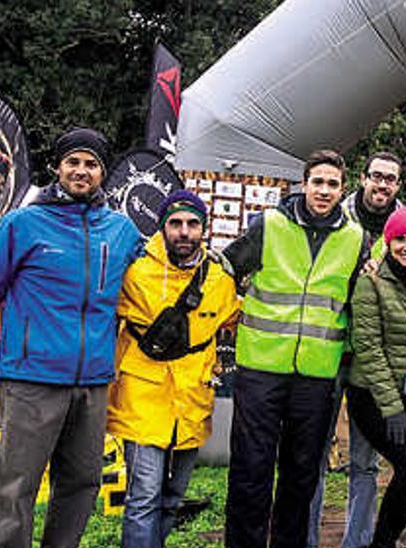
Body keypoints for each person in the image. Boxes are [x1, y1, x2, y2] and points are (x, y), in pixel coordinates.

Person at [0, 128, 142, 547]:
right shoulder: (22, 224)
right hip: (31, 380)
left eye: (91, 164)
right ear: (57, 167)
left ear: (103, 173)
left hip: (93, 383)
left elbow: (153, 280)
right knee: (16, 488)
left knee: (82, 483)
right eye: (73, 162)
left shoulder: (121, 231)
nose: (81, 171)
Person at [222, 149, 368, 547]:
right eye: (317, 182)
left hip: (317, 376)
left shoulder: (356, 239)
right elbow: (225, 270)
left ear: (343, 189)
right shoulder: (269, 225)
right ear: (303, 184)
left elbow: (361, 302)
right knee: (251, 471)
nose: (324, 190)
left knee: (301, 476)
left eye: (332, 184)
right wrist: (228, 314)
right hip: (260, 369)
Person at [107, 190, 242, 547]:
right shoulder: (134, 271)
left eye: (193, 224)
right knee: (144, 497)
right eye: (176, 223)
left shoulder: (220, 280)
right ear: (162, 227)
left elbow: (239, 318)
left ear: (204, 229)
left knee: (172, 498)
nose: (184, 232)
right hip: (142, 398)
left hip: (192, 400)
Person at [311, 150, 405, 548]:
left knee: (364, 462)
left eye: (391, 179)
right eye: (377, 176)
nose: (382, 185)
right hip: (328, 350)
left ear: (398, 186)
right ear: (363, 178)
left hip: (372, 359)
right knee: (313, 455)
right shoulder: (336, 218)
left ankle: (358, 542)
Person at [343, 206, 406, 548]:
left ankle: (385, 540)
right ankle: (381, 543)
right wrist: (391, 408)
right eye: (400, 239)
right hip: (372, 394)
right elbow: (367, 347)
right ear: (388, 242)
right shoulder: (370, 282)